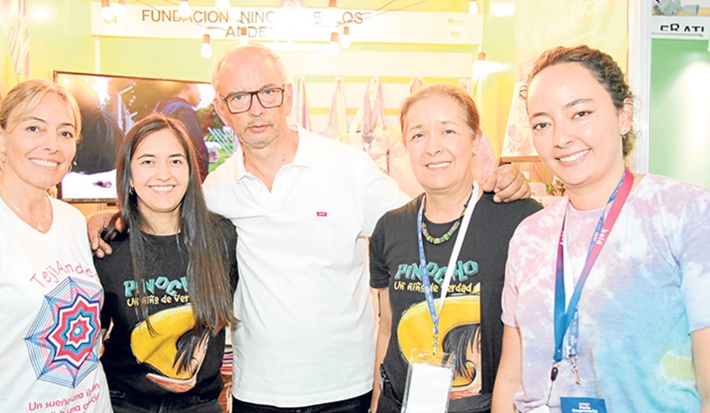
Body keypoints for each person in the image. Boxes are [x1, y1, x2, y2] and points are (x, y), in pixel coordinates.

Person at [90, 44, 531, 413]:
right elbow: (162, 216)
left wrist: (497, 187)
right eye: (238, 98)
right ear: (222, 109)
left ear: (286, 96)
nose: (255, 109)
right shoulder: (217, 192)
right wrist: (104, 219)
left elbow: (425, 221)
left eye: (266, 92)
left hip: (347, 388)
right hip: (257, 390)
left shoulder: (346, 166)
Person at [491, 45, 710, 412]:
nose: (561, 137)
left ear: (624, 115)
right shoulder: (530, 235)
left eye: (580, 113)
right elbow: (512, 377)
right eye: (542, 123)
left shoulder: (684, 213)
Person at [0, 79, 111, 412]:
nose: (52, 145)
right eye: (34, 128)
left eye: (65, 133)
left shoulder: (73, 221)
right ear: (0, 138)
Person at [369, 84, 541, 413]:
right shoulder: (390, 228)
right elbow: (387, 328)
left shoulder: (519, 219)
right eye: (418, 135)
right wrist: (377, 403)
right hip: (401, 404)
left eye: (448, 131)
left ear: (475, 140)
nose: (433, 147)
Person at [94, 114, 238, 412]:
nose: (164, 174)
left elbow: (209, 325)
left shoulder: (222, 238)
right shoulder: (107, 247)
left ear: (190, 171)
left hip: (200, 405)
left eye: (175, 161)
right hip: (124, 404)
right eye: (148, 161)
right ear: (129, 176)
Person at [155, 83, 210, 182]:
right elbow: (195, 149)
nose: (200, 93)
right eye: (198, 87)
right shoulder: (184, 111)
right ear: (189, 84)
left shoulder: (165, 108)